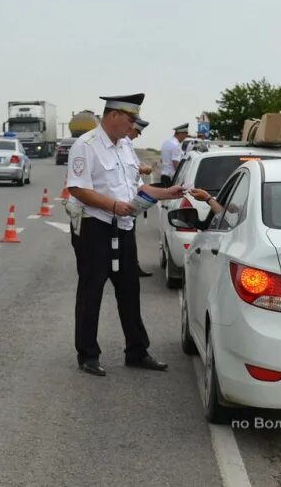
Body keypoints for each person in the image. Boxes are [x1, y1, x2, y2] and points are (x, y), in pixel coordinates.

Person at [65, 93, 185, 377]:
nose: (133, 126)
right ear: (114, 115)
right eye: (131, 119)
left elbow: (135, 190)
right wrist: (114, 206)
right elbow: (78, 189)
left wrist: (166, 192)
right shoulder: (86, 146)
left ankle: (137, 351)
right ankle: (88, 354)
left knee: (129, 290)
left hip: (125, 227)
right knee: (91, 291)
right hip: (96, 227)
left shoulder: (126, 147)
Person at [123, 117, 154, 278]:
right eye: (138, 131)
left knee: (129, 236)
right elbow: (132, 170)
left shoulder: (127, 144)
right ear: (132, 127)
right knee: (127, 236)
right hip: (126, 198)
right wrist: (144, 170)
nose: (138, 135)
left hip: (133, 194)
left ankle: (132, 266)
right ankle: (130, 267)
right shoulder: (124, 144)